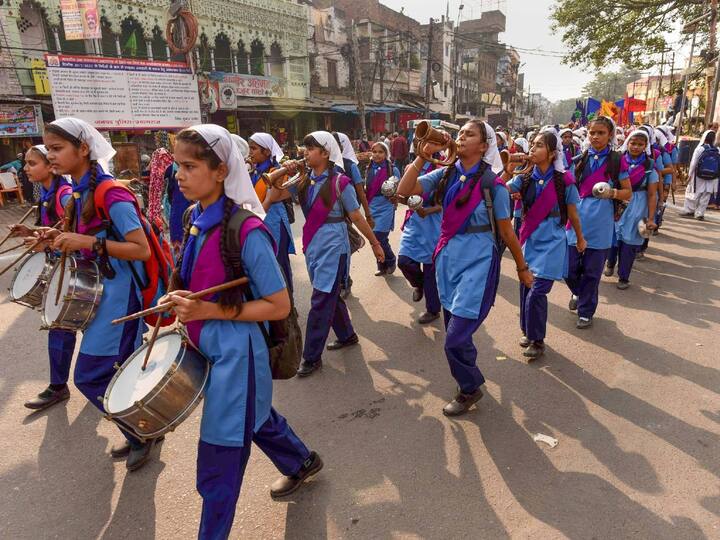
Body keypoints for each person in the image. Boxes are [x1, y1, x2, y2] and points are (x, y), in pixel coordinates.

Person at [167, 125, 321, 540]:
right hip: (207, 348)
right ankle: (301, 461)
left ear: (220, 171)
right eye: (177, 165)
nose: (178, 175)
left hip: (238, 356)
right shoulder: (193, 216)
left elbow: (279, 305)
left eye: (189, 166)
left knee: (220, 458)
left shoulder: (248, 231)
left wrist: (207, 308)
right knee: (254, 418)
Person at [40, 118, 155, 470]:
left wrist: (86, 241)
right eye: (49, 149)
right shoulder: (78, 192)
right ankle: (143, 427)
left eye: (57, 148)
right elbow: (86, 241)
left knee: (89, 376)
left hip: (121, 296)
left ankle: (141, 431)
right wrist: (53, 238)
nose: (51, 155)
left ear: (84, 149)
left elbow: (141, 250)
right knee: (119, 371)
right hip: (100, 294)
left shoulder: (112, 193)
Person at [397, 120, 533, 416]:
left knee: (454, 338)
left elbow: (507, 232)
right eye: (459, 134)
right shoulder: (445, 173)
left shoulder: (492, 185)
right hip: (447, 260)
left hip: (478, 263)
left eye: (469, 134)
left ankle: (470, 388)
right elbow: (404, 191)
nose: (460, 138)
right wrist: (422, 155)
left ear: (484, 146)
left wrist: (522, 268)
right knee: (458, 332)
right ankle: (467, 378)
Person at [277, 132, 384, 378]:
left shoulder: (340, 182)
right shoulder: (303, 179)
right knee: (329, 293)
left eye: (311, 148)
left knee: (321, 298)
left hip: (333, 245)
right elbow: (279, 193)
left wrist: (375, 243)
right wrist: (283, 170)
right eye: (305, 147)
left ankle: (311, 356)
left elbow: (355, 216)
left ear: (325, 153)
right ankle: (347, 335)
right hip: (313, 244)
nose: (305, 152)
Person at [8, 145, 76, 410]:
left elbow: (72, 236)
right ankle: (58, 386)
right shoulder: (47, 192)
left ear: (50, 166)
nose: (26, 168)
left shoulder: (64, 194)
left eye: (32, 163)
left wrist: (45, 244)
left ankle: (62, 387)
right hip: (61, 267)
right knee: (59, 326)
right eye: (26, 163)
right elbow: (54, 230)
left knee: (61, 325)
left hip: (75, 270)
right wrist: (32, 231)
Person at [506, 131, 584, 359]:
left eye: (539, 145)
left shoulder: (564, 179)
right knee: (526, 287)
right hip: (530, 238)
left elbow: (573, 213)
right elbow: (501, 187)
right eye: (532, 144)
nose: (532, 148)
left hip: (553, 240)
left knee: (537, 291)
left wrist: (580, 238)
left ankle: (538, 340)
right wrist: (510, 165)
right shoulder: (525, 176)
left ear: (552, 153)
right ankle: (527, 331)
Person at [565, 117, 631, 329]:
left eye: (601, 133)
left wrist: (611, 192)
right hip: (576, 220)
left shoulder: (616, 160)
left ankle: (585, 311)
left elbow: (627, 191)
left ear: (610, 135)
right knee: (568, 268)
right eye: (592, 132)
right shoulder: (579, 159)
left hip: (601, 221)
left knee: (592, 272)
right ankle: (578, 292)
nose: (596, 137)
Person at [605, 130, 658, 288]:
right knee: (613, 236)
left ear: (645, 146)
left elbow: (652, 194)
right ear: (627, 143)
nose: (635, 147)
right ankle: (610, 262)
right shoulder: (617, 161)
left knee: (630, 243)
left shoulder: (649, 166)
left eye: (640, 144)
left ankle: (623, 277)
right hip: (617, 202)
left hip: (638, 206)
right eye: (633, 143)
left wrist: (650, 217)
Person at [248, 133, 296, 292]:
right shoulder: (253, 171)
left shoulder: (276, 170)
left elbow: (274, 197)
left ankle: (288, 305)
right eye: (250, 148)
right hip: (260, 220)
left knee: (279, 262)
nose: (251, 152)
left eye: (254, 149)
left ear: (267, 151)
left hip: (273, 221)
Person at [397, 157, 442, 324]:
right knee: (404, 261)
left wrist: (427, 211)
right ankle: (419, 284)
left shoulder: (441, 172)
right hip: (414, 223)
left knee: (431, 270)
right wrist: (397, 198)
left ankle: (433, 309)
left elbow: (446, 203)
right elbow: (404, 195)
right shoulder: (411, 168)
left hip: (434, 224)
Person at [335, 132, 372, 298]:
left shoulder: (350, 166)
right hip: (328, 216)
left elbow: (360, 191)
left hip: (346, 214)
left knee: (344, 248)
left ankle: (345, 279)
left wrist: (368, 214)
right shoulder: (320, 167)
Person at [364, 141, 400, 276]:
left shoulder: (392, 169)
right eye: (374, 152)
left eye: (380, 152)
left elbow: (399, 188)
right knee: (374, 237)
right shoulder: (369, 168)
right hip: (372, 205)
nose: (377, 155)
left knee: (380, 236)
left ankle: (390, 260)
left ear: (386, 154)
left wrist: (394, 197)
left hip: (386, 206)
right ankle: (381, 265)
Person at [681, 129, 718, 221]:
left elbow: (693, 163)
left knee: (694, 192)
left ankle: (689, 210)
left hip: (698, 175)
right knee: (706, 194)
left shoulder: (700, 149)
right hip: (712, 176)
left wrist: (689, 175)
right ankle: (700, 213)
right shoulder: (717, 150)